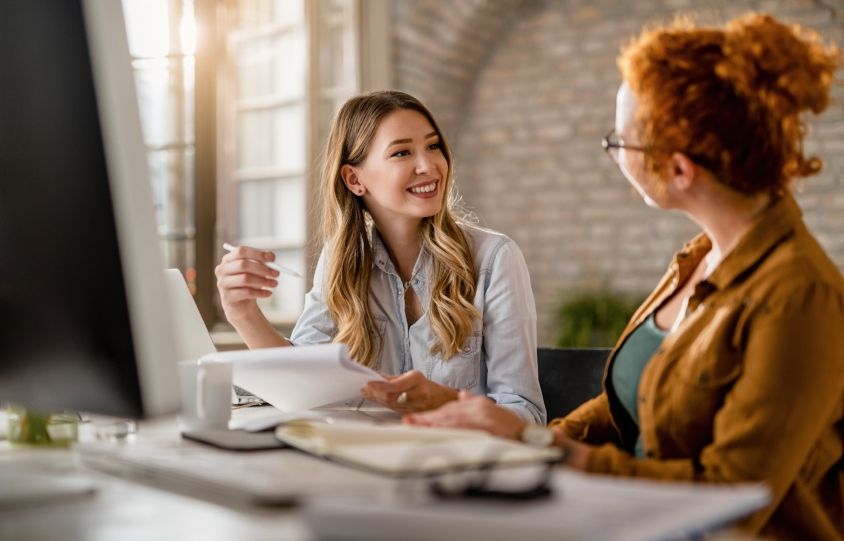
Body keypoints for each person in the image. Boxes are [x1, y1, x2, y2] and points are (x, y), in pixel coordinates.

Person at [405, 13, 843, 539]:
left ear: (679, 169)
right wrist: (509, 437)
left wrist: (541, 446)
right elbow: (625, 408)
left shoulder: (800, 295)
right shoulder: (697, 260)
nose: (614, 154)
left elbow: (731, 496)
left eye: (620, 142)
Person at [216, 90, 545, 424]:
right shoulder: (341, 261)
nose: (429, 166)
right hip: (360, 452)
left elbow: (527, 415)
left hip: (454, 455)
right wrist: (244, 314)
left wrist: (444, 401)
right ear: (354, 179)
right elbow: (298, 384)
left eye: (433, 146)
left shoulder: (494, 259)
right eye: (402, 152)